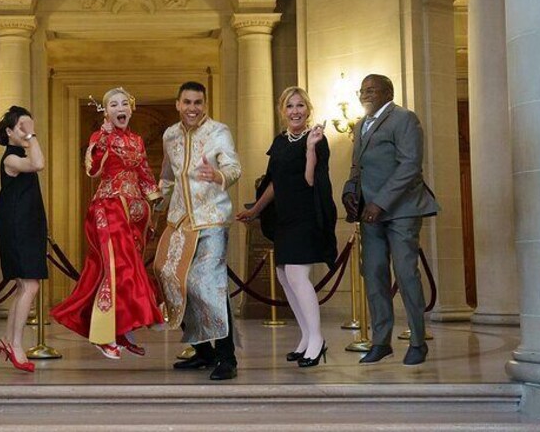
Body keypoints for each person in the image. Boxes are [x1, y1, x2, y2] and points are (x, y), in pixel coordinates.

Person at [51, 87, 164, 359]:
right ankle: (102, 335)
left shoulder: (136, 140)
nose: (120, 108)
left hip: (134, 212)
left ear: (131, 108)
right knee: (117, 267)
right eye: (114, 104)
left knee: (128, 269)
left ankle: (121, 330)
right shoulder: (100, 137)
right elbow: (92, 169)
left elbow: (144, 172)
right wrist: (102, 139)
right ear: (107, 111)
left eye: (124, 103)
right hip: (108, 207)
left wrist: (156, 199)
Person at [341, 74, 439, 366]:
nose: (365, 94)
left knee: (407, 274)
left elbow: (410, 165)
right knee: (374, 275)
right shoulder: (360, 125)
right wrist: (349, 192)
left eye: (371, 90)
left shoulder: (405, 119)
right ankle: (381, 341)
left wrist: (380, 203)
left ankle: (418, 342)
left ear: (388, 92)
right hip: (369, 214)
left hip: (401, 210)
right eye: (362, 90)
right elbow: (356, 167)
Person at [236, 87, 337, 367]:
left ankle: (317, 340)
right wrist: (255, 210)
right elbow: (275, 183)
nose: (295, 111)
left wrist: (309, 148)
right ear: (283, 111)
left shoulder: (317, 139)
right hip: (284, 216)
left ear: (308, 109)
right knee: (284, 276)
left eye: (300, 105)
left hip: (306, 215)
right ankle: (306, 337)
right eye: (290, 106)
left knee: (296, 275)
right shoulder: (280, 142)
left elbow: (310, 180)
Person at [154, 82, 242, 380]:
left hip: (211, 217)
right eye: (187, 102)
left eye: (198, 102)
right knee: (169, 275)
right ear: (178, 104)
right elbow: (167, 176)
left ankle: (226, 357)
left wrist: (217, 174)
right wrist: (155, 205)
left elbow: (234, 168)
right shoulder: (170, 135)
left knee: (208, 283)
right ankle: (203, 351)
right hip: (179, 219)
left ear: (205, 104)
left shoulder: (219, 131)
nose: (193, 108)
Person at [0, 106, 47, 373]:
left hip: (27, 224)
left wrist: (29, 138)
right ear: (10, 132)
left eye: (31, 126)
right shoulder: (10, 158)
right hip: (16, 226)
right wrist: (31, 137)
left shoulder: (21, 152)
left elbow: (37, 162)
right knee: (30, 285)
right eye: (23, 127)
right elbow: (38, 164)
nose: (28, 132)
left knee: (24, 286)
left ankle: (8, 339)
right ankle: (16, 344)